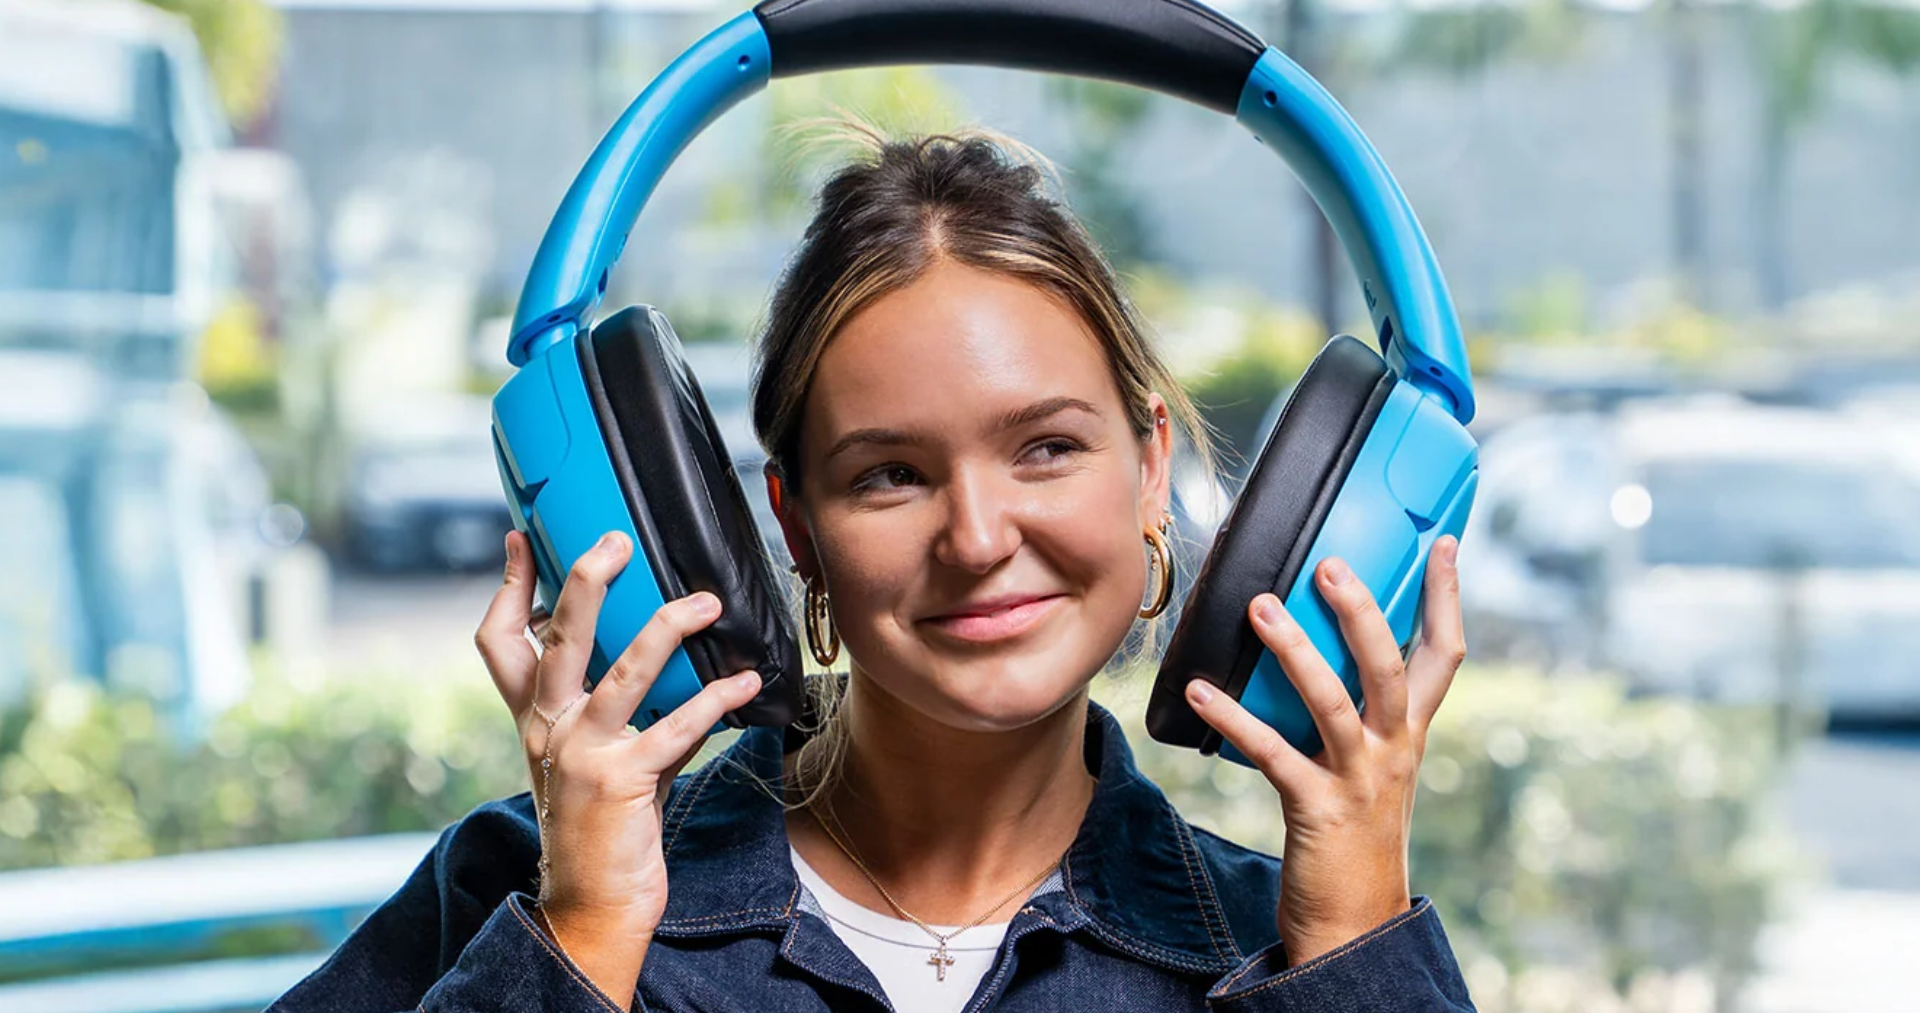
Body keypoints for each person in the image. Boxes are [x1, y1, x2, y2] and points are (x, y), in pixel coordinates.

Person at [270, 128, 1476, 1012]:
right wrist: (585, 936)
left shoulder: (1293, 948)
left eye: (1047, 448)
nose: (978, 537)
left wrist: (1352, 940)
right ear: (791, 525)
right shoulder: (523, 893)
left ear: (1152, 467)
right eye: (890, 474)